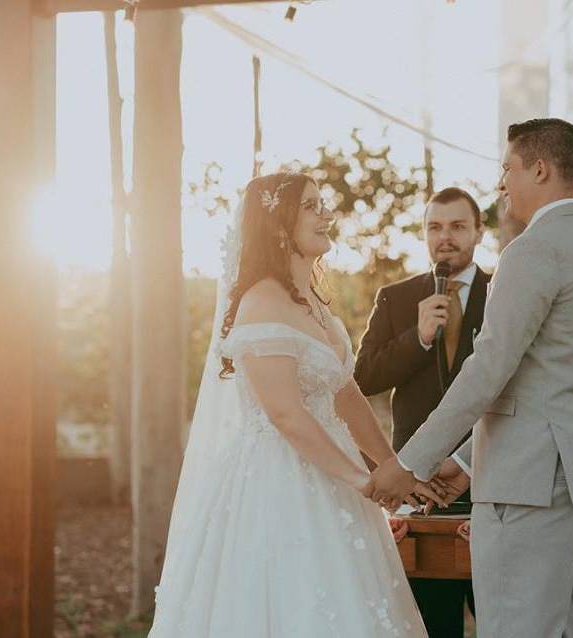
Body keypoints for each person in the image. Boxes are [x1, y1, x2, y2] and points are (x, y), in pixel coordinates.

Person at [149, 172, 442, 637]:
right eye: (311, 206)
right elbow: (285, 413)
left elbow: (346, 396)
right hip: (278, 483)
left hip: (337, 472)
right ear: (280, 225)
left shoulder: (316, 306)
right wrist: (362, 481)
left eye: (322, 203)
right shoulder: (262, 302)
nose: (326, 214)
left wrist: (392, 466)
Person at [366, 119, 573, 638]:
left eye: (507, 168)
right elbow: (543, 379)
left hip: (532, 482)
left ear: (540, 168)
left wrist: (408, 463)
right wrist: (465, 462)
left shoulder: (531, 251)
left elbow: (488, 369)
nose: (502, 182)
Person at [354, 186, 490, 638]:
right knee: (434, 624)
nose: (445, 237)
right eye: (435, 227)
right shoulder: (395, 298)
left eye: (457, 226)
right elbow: (364, 377)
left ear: (479, 231)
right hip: (420, 491)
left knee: (503, 620)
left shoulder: (506, 294)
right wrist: (418, 337)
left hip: (491, 479)